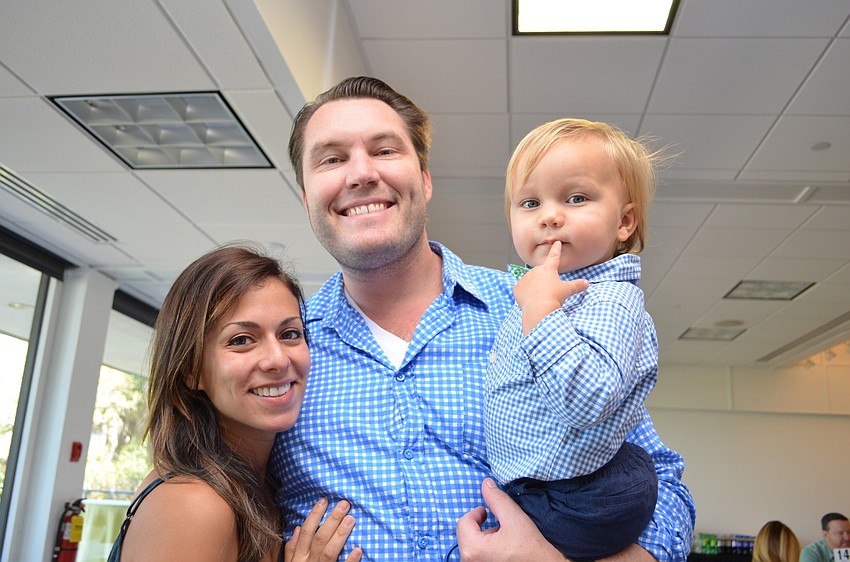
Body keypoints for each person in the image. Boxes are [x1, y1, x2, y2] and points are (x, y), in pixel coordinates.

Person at [272, 76, 695, 562]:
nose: (361, 173)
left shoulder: (542, 307)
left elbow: (663, 486)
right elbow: (220, 491)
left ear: (425, 179)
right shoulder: (281, 356)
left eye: (385, 150)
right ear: (306, 195)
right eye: (331, 158)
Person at [107, 245, 362, 562]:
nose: (277, 359)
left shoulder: (254, 484)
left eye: (290, 333)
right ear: (192, 370)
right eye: (241, 340)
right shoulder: (195, 505)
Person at [484, 118, 661, 562]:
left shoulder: (610, 299)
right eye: (529, 202)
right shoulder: (535, 292)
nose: (549, 215)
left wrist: (541, 310)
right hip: (550, 487)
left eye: (576, 198)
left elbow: (586, 400)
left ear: (624, 222)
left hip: (578, 498)